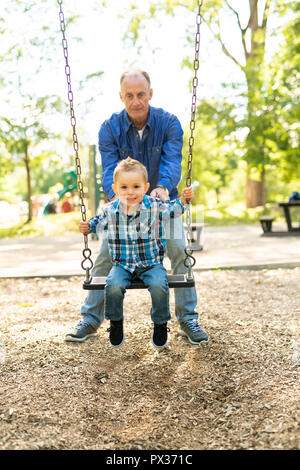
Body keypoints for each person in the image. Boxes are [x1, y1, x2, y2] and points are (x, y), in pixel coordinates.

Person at [65, 69, 209, 345]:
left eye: (141, 94)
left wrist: (163, 187)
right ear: (121, 96)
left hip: (162, 203)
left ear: (150, 94)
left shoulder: (169, 123)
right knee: (106, 256)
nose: (136, 101)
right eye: (129, 95)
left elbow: (171, 162)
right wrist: (116, 197)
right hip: (124, 207)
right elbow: (109, 171)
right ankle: (91, 318)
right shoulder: (110, 129)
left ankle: (188, 318)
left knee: (179, 249)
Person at [79, 158, 194, 348]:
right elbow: (96, 221)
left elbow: (174, 210)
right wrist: (87, 226)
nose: (130, 192)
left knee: (159, 285)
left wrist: (184, 199)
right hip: (122, 265)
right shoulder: (110, 210)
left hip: (151, 264)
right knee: (113, 286)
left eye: (136, 186)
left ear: (145, 187)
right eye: (124, 187)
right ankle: (116, 323)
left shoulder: (155, 206)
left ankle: (160, 323)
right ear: (115, 189)